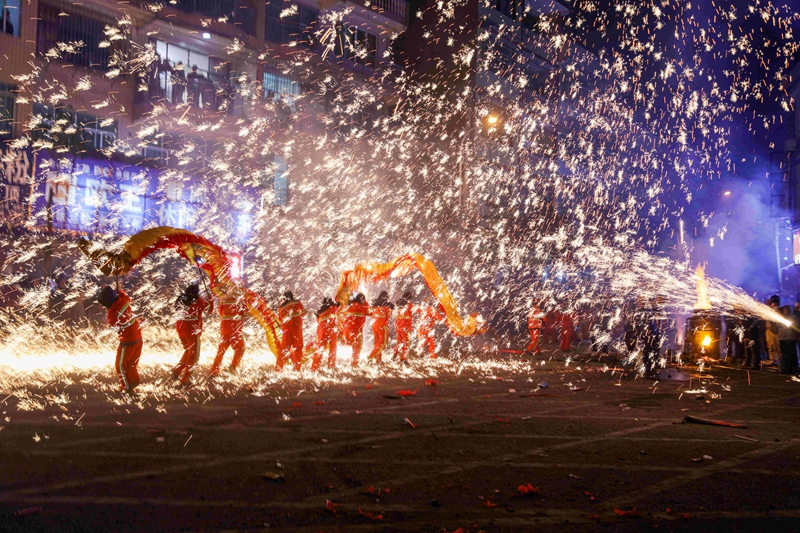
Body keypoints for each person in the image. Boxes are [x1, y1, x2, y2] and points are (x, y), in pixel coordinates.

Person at [98, 285, 142, 393]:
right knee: (131, 363)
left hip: (127, 340)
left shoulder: (112, 314)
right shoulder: (124, 299)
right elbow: (123, 295)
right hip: (138, 336)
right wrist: (119, 291)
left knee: (120, 365)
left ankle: (126, 387)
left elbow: (113, 323)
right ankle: (134, 380)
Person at [172, 283, 212, 385]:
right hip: (192, 330)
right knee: (193, 356)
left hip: (181, 328)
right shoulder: (198, 300)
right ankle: (186, 379)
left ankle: (177, 369)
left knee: (188, 351)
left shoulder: (181, 298)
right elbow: (209, 310)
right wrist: (210, 298)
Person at [209, 292, 247, 377]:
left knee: (221, 349)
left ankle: (214, 369)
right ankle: (233, 366)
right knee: (240, 348)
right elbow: (245, 312)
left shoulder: (223, 298)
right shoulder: (240, 298)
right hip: (235, 327)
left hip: (224, 327)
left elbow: (220, 312)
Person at [277, 291, 306, 371]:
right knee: (298, 349)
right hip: (297, 330)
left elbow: (280, 319)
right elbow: (303, 312)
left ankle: (278, 369)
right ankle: (296, 369)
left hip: (286, 331)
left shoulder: (281, 308)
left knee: (284, 350)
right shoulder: (296, 302)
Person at [341, 293, 369, 367]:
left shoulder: (349, 305)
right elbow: (371, 312)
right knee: (357, 347)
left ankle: (347, 362)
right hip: (356, 330)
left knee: (350, 344)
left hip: (346, 330)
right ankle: (354, 364)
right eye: (364, 299)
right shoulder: (362, 307)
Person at [313, 297, 339, 370]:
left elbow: (318, 322)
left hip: (322, 331)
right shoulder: (334, 307)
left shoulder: (320, 311)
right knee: (333, 348)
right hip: (332, 330)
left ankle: (314, 367)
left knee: (320, 349)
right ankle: (331, 366)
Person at [367, 291, 394, 364]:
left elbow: (370, 313)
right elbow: (389, 315)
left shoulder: (374, 304)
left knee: (377, 342)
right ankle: (371, 356)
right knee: (382, 342)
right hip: (382, 325)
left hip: (374, 325)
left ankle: (378, 359)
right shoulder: (387, 305)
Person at [394, 292, 415, 361]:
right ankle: (403, 359)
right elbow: (415, 310)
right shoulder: (409, 304)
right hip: (405, 327)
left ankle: (394, 355)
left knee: (399, 342)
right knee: (405, 343)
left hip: (398, 326)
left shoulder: (398, 303)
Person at [778, 306, 798, 374]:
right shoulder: (780, 318)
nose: (786, 310)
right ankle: (785, 368)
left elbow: (796, 326)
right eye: (785, 309)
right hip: (782, 338)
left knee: (791, 354)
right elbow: (776, 328)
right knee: (784, 354)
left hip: (790, 338)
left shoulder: (794, 318)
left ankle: (792, 368)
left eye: (787, 309)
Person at [765, 295, 781, 365]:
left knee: (778, 346)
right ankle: (772, 359)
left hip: (777, 331)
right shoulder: (768, 310)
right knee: (770, 346)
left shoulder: (779, 310)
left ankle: (779, 360)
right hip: (769, 330)